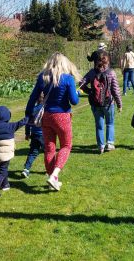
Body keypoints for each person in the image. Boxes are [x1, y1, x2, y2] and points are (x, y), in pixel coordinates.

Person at [26, 53, 80, 191]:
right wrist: (76, 93)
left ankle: (52, 179)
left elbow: (32, 98)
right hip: (62, 116)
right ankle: (54, 175)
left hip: (47, 116)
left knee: (49, 148)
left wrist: (28, 114)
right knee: (66, 146)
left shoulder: (42, 77)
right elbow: (74, 101)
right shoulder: (68, 79)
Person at [79, 52, 123, 154]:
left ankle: (100, 146)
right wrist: (119, 104)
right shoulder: (111, 72)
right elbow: (115, 90)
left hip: (95, 103)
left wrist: (89, 91)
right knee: (110, 123)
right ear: (107, 61)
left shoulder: (91, 72)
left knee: (99, 125)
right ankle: (110, 143)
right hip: (108, 103)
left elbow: (81, 83)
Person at [0, 106, 27, 198]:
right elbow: (21, 123)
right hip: (6, 153)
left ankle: (5, 184)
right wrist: (28, 117)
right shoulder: (10, 126)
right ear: (7, 116)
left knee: (2, 168)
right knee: (2, 170)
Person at [21, 92, 45, 178]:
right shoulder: (46, 108)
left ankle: (26, 169)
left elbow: (27, 123)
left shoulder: (32, 109)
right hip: (45, 135)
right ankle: (49, 170)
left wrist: (27, 133)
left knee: (32, 153)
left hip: (34, 134)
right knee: (48, 152)